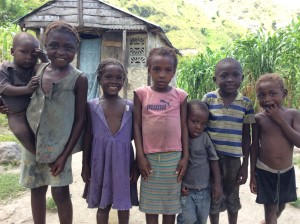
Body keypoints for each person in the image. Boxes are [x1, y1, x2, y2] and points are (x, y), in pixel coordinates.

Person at [20, 20, 88, 224]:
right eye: (54, 46)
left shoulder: (79, 78)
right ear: (45, 46)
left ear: (76, 49)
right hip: (32, 143)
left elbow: (80, 119)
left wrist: (65, 154)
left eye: (68, 47)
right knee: (37, 189)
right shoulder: (37, 70)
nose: (61, 52)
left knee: (60, 192)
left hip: (59, 148)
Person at [134, 47, 189, 224]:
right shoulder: (142, 94)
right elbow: (136, 125)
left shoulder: (180, 96)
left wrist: (185, 157)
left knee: (169, 205)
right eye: (156, 69)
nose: (162, 75)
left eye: (167, 70)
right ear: (149, 69)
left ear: (174, 72)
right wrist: (140, 156)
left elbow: (184, 126)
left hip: (173, 158)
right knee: (150, 206)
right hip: (148, 158)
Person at [81, 58, 139, 224]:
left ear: (124, 81)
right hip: (99, 162)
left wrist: (136, 164)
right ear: (99, 78)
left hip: (124, 164)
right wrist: (85, 164)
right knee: (102, 204)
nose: (114, 81)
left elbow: (138, 137)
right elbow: (88, 135)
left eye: (118, 77)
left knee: (123, 205)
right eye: (108, 76)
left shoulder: (131, 106)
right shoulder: (91, 106)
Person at [202, 57, 255, 224]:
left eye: (235, 75)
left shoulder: (246, 104)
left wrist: (244, 164)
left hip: (233, 160)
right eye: (224, 76)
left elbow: (247, 136)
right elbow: (201, 129)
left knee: (233, 196)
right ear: (215, 79)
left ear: (241, 78)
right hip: (211, 159)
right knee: (214, 194)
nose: (230, 79)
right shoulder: (209, 99)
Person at [250, 73, 299, 224]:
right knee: (270, 210)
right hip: (265, 171)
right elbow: (254, 148)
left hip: (286, 171)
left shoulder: (292, 115)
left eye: (272, 93)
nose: (267, 99)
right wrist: (252, 174)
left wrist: (280, 120)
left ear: (284, 93)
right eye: (261, 95)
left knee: (282, 206)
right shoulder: (259, 119)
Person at [0, 32, 48, 154]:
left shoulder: (35, 69)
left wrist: (44, 58)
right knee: (22, 134)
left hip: (36, 112)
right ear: (12, 51)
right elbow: (4, 88)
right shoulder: (4, 69)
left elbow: (49, 70)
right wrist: (27, 89)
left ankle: (45, 153)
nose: (29, 57)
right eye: (24, 52)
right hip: (16, 115)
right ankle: (37, 155)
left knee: (42, 136)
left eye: (33, 55)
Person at [177, 100, 222, 224]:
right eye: (195, 122)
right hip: (186, 190)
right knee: (187, 219)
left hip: (204, 190)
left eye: (203, 124)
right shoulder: (179, 138)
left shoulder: (205, 138)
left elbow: (213, 160)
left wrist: (217, 183)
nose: (198, 126)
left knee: (202, 220)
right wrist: (180, 185)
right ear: (184, 119)